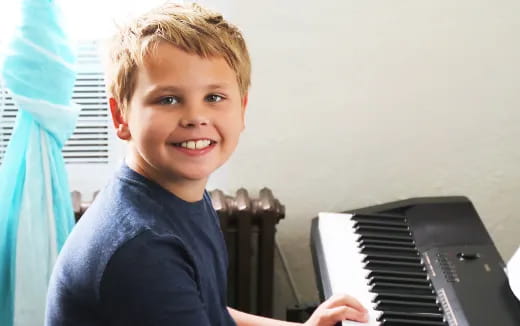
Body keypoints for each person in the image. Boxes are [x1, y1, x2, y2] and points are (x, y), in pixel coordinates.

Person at [45, 2, 368, 326]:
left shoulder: (176, 195)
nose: (196, 117)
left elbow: (208, 312)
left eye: (214, 97)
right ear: (121, 116)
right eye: (168, 99)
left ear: (241, 109)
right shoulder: (143, 250)